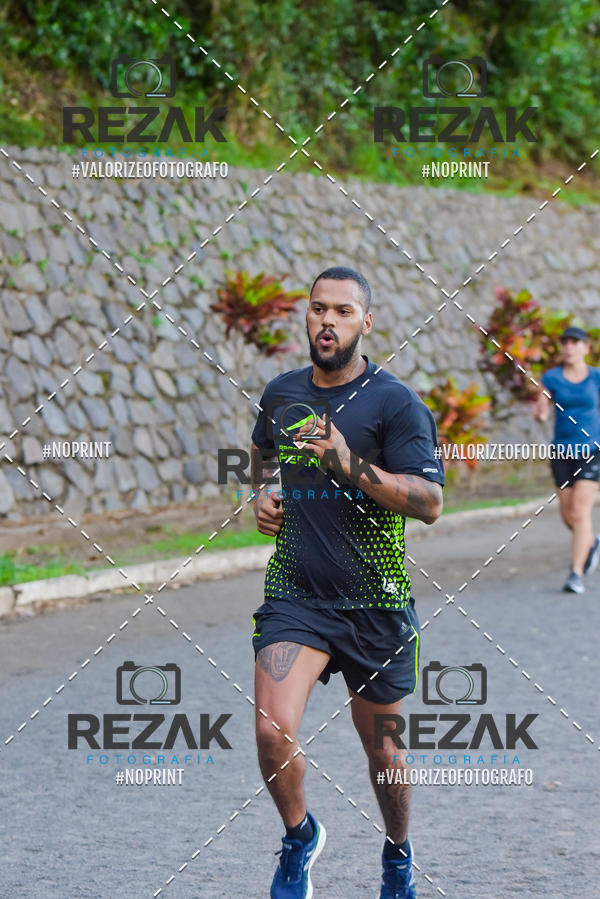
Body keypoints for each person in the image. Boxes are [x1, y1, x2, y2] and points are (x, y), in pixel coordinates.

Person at [250, 266, 444, 898]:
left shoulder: (395, 403)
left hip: (375, 604)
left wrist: (346, 461)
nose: (327, 321)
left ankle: (398, 854)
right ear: (306, 316)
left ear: (366, 322)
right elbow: (264, 458)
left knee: (383, 754)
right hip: (296, 596)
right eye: (318, 309)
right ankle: (299, 837)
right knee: (270, 730)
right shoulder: (282, 393)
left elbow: (429, 502)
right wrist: (264, 496)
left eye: (342, 311)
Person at [534, 325, 600, 593]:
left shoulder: (596, 377)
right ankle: (591, 542)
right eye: (566, 343)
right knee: (568, 515)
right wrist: (540, 411)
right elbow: (542, 402)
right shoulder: (551, 378)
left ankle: (576, 574)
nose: (570, 347)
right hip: (562, 452)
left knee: (580, 512)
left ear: (586, 348)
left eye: (575, 342)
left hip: (591, 450)